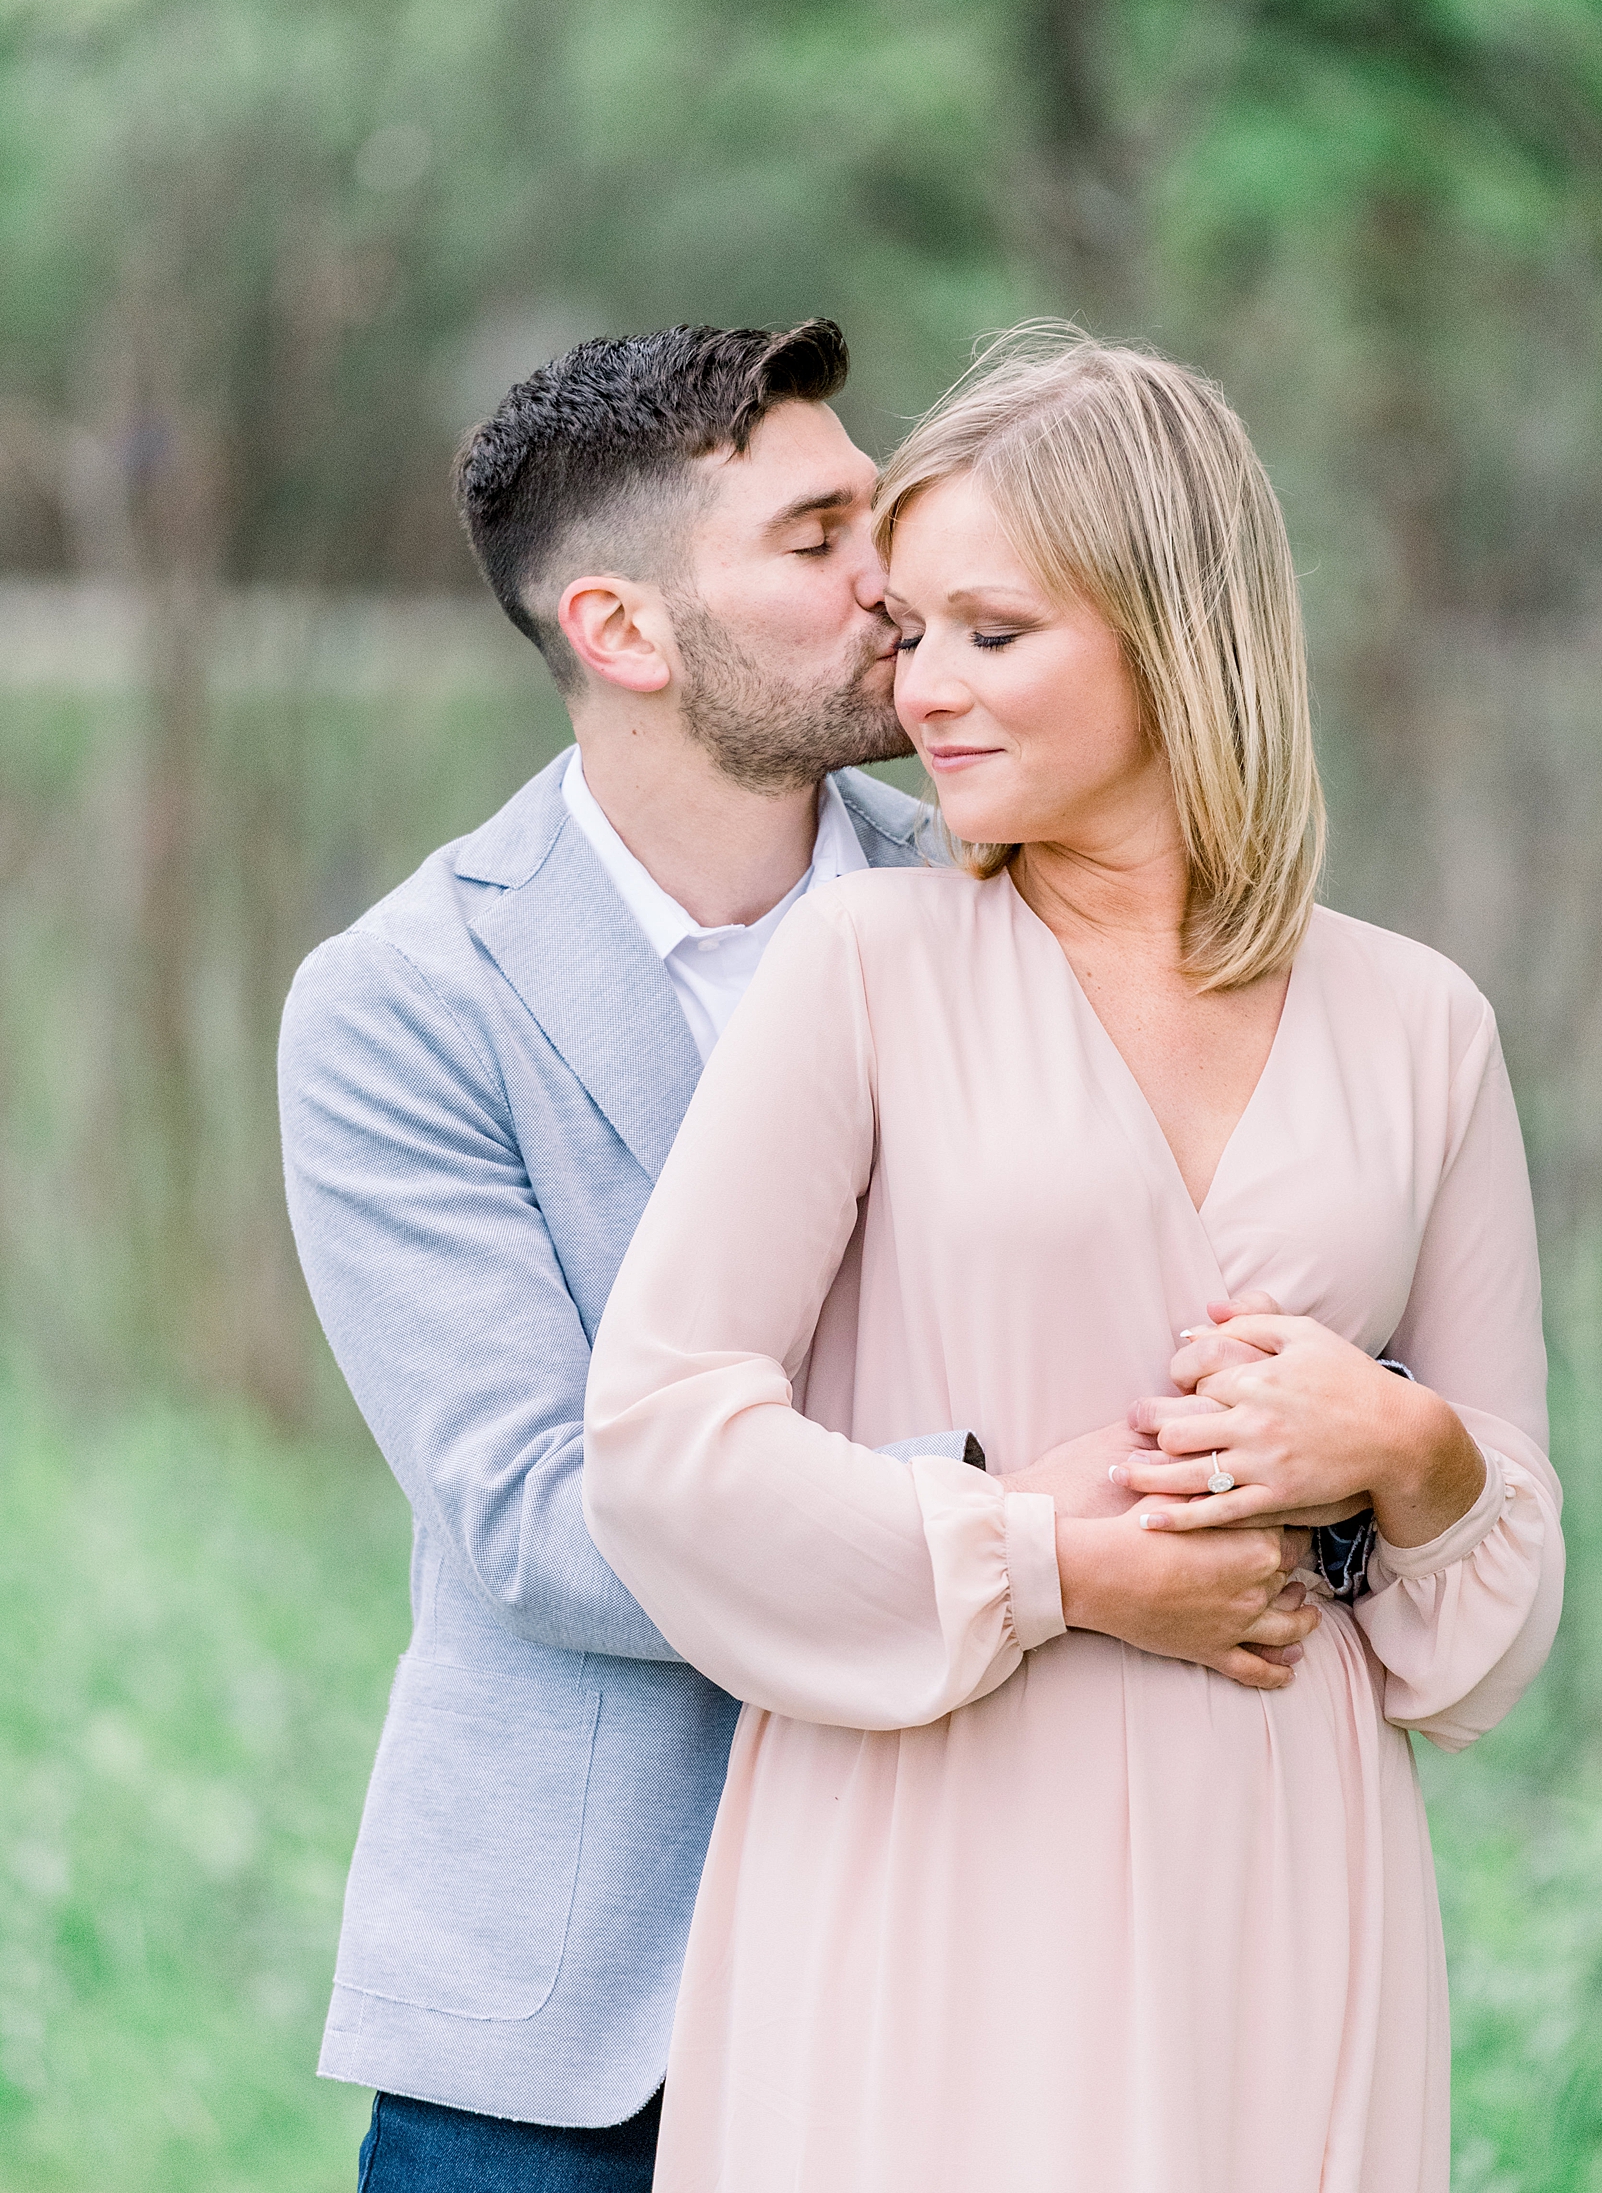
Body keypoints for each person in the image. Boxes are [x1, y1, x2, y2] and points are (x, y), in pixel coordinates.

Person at [277, 320, 1314, 2192]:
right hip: (584, 2014)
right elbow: (533, 1516)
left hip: (967, 1941)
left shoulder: (1006, 897)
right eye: (822, 536)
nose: (895, 582)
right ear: (624, 631)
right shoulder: (399, 1005)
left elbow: (1238, 1293)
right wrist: (1033, 1540)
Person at [582, 327, 1566, 2193]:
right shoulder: (865, 972)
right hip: (935, 1866)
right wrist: (1044, 1564)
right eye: (909, 631)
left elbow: (1485, 1637)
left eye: (991, 633)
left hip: (1286, 1888)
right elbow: (656, 1436)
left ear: (1172, 634)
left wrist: (1408, 1452)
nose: (923, 691)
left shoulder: (1420, 1023)